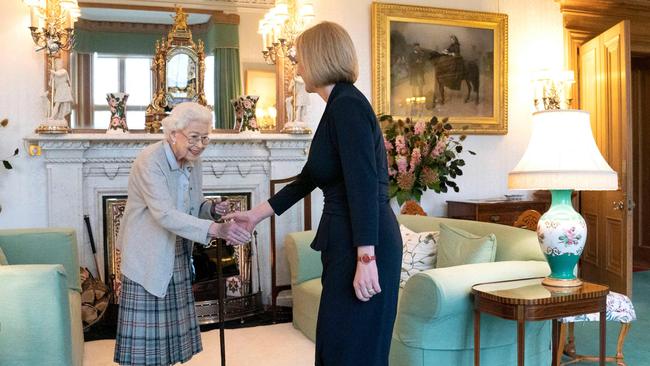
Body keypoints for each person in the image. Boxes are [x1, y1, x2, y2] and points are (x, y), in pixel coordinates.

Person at [224, 22, 402, 366]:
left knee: (353, 350)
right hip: (348, 240)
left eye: (301, 58)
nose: (298, 65)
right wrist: (255, 214)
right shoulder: (337, 105)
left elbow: (363, 185)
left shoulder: (347, 106)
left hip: (363, 243)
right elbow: (309, 178)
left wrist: (366, 259)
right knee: (338, 347)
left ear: (320, 57)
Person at [113, 102, 251, 366]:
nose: (199, 145)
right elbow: (164, 213)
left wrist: (210, 209)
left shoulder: (192, 161)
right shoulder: (149, 162)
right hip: (148, 254)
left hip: (176, 251)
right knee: (146, 346)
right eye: (194, 137)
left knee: (169, 340)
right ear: (173, 134)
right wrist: (216, 229)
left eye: (205, 138)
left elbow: (191, 206)